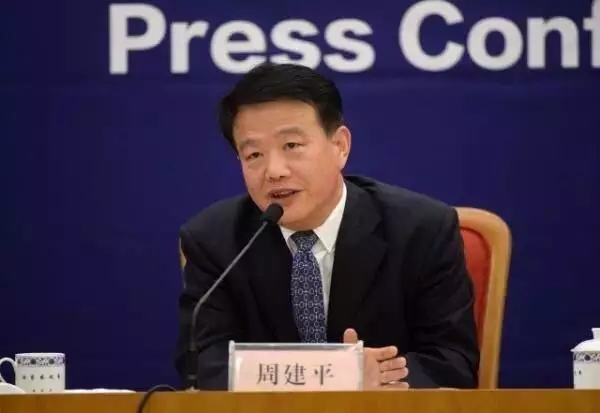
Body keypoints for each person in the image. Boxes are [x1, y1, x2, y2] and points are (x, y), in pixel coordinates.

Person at [175, 62, 479, 390]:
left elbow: (452, 363)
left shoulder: (421, 229)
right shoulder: (215, 240)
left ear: (340, 146)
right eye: (253, 155)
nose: (274, 171)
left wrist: (383, 380)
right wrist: (333, 374)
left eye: (292, 146)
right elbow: (204, 365)